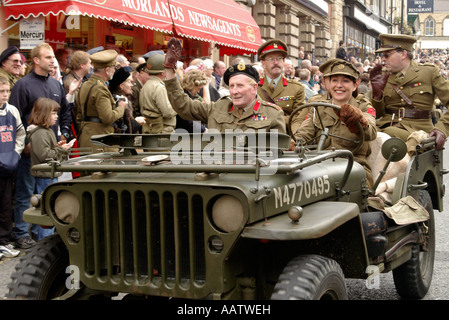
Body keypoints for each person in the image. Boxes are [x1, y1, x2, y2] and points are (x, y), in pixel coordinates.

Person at [9, 42, 72, 249]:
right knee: (25, 194)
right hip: (28, 151)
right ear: (36, 60)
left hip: (50, 150)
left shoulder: (55, 84)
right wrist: (24, 144)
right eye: (47, 57)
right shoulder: (23, 85)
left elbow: (64, 112)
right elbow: (15, 117)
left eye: (53, 56)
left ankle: (43, 236)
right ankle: (21, 233)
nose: (52, 60)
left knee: (48, 193)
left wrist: (63, 133)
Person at [162, 38, 286, 134]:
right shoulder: (218, 108)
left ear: (254, 88)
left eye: (240, 86)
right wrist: (169, 71)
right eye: (231, 86)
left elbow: (277, 157)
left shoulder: (273, 114)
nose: (234, 91)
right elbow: (183, 105)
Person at [294, 59, 377, 188]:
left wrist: (358, 120)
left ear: (355, 85)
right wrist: (294, 144)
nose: (339, 85)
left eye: (345, 81)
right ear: (328, 84)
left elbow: (371, 131)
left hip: (352, 166)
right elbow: (304, 133)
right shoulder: (319, 107)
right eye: (334, 80)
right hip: (319, 165)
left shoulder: (363, 106)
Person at [369, 33, 449, 150]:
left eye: (387, 55)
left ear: (403, 54)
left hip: (418, 132)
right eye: (382, 55)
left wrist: (441, 129)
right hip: (385, 128)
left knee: (387, 136)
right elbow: (376, 114)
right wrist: (377, 96)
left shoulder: (428, 72)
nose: (383, 59)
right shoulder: (382, 76)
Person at [27, 98, 72, 240]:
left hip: (49, 175)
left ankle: (41, 237)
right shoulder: (40, 133)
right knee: (48, 212)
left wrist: (58, 148)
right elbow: (44, 156)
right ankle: (44, 240)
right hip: (46, 176)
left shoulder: (46, 131)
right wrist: (60, 150)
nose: (56, 116)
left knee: (46, 209)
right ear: (44, 114)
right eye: (53, 113)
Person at [76, 49, 126, 153]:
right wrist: (121, 107)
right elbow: (107, 118)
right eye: (113, 68)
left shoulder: (86, 84)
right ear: (107, 70)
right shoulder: (100, 88)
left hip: (86, 136)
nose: (114, 71)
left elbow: (79, 115)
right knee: (100, 169)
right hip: (99, 141)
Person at [257, 39, 305, 134]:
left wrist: (267, 120)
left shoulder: (296, 88)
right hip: (259, 140)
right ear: (263, 63)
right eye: (271, 59)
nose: (276, 62)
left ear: (283, 61)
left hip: (287, 139)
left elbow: (299, 118)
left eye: (279, 58)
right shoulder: (254, 88)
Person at [0, 76, 25, 258]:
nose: (5, 95)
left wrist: (15, 154)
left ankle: (3, 242)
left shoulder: (12, 111)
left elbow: (20, 134)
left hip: (8, 167)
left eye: (7, 91)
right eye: (1, 92)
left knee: (6, 205)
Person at [140, 52, 177, 134]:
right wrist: (179, 106)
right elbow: (168, 112)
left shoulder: (146, 85)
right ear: (163, 72)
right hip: (162, 131)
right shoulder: (159, 87)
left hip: (150, 129)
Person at [108, 66, 145, 133]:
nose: (131, 85)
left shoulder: (124, 98)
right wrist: (136, 122)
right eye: (129, 82)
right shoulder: (119, 101)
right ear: (121, 86)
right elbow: (122, 129)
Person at [177, 68, 208, 133]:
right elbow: (186, 120)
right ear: (193, 85)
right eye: (198, 88)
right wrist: (203, 130)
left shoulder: (185, 94)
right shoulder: (183, 97)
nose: (198, 91)